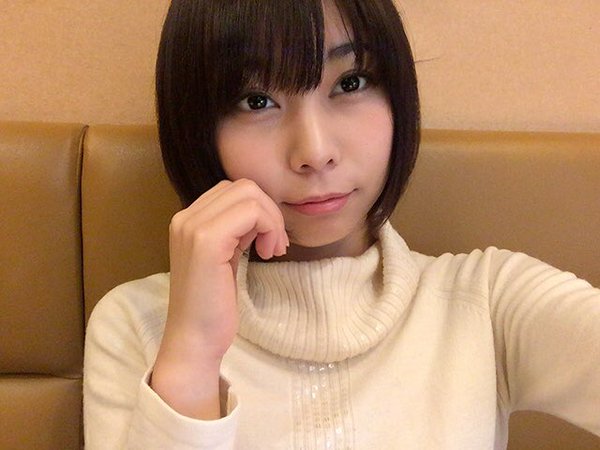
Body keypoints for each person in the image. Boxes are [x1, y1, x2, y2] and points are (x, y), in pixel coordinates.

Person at [83, 0, 600, 448]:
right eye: (256, 100)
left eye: (350, 83)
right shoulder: (139, 325)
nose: (315, 151)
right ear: (198, 128)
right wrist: (192, 357)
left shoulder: (488, 303)